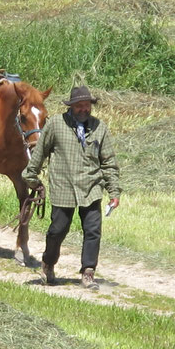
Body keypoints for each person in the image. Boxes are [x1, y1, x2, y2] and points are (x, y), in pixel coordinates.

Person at [22, 86, 121, 290]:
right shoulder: (56, 125)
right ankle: (48, 264)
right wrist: (31, 176)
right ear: (71, 107)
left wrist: (114, 192)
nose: (84, 109)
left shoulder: (99, 128)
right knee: (57, 230)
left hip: (91, 188)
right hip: (63, 188)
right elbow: (40, 152)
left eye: (87, 106)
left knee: (93, 230)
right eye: (79, 106)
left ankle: (88, 272)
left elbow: (109, 162)